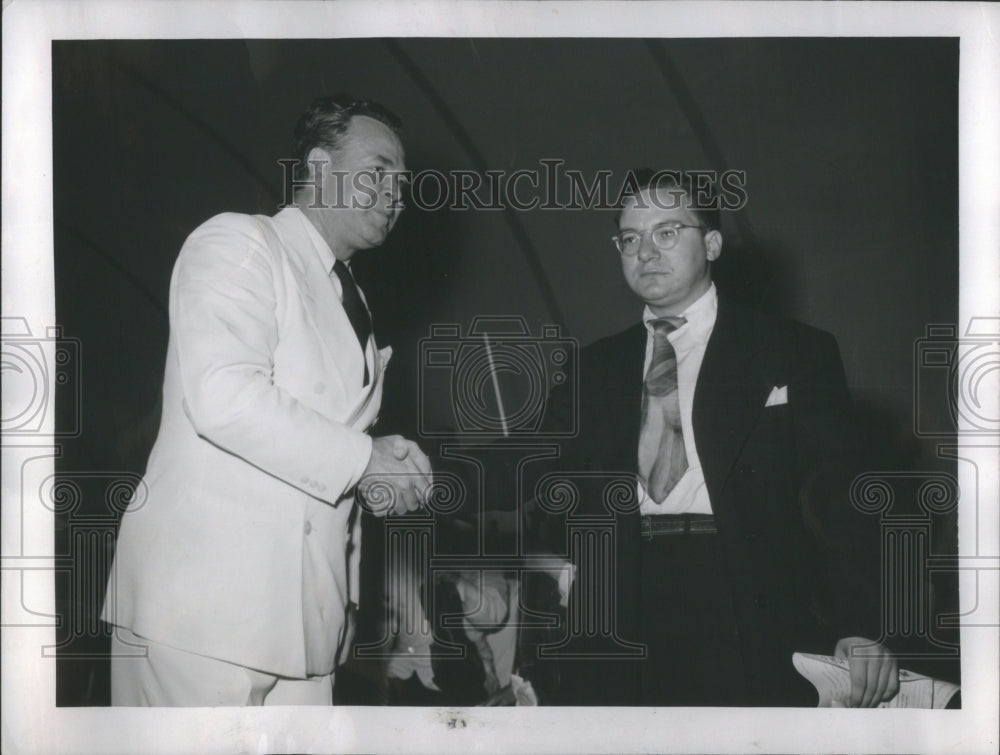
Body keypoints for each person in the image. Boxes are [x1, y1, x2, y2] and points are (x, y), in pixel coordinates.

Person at [101, 94, 432, 706]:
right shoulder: (240, 243)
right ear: (319, 167)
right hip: (203, 615)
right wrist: (364, 458)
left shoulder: (350, 297)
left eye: (403, 181)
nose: (395, 193)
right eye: (378, 171)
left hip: (306, 626)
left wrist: (377, 479)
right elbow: (224, 398)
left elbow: (310, 454)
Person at [530, 170, 899, 706]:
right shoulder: (592, 367)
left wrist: (862, 624)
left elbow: (846, 496)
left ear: (713, 242)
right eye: (629, 238)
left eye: (666, 232)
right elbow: (529, 465)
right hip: (623, 599)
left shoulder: (795, 350)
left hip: (746, 595)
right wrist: (405, 470)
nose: (645, 251)